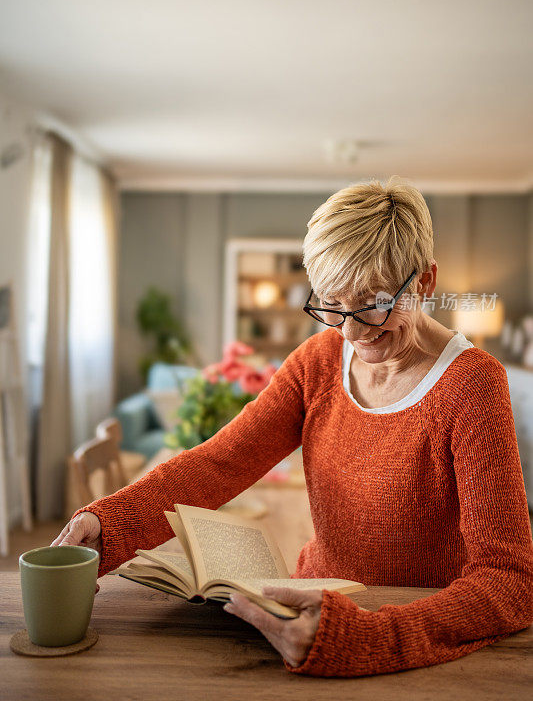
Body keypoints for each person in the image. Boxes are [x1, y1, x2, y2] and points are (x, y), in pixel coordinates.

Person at [51, 176, 533, 677]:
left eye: (373, 303)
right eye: (332, 304)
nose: (351, 331)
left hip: (415, 635)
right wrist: (108, 523)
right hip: (309, 609)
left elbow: (509, 579)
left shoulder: (472, 385)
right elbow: (220, 463)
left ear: (426, 283)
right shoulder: (319, 360)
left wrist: (368, 637)